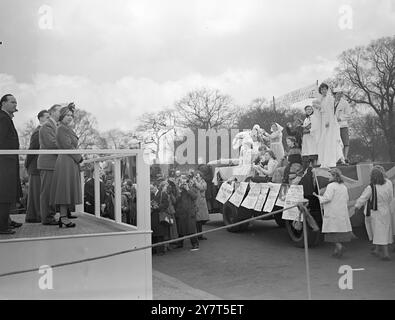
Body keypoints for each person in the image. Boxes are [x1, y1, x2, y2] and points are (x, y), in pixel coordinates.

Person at [50, 105, 83, 228]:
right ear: (62, 115)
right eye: (67, 115)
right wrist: (79, 158)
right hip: (65, 162)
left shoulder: (66, 128)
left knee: (67, 190)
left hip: (70, 161)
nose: (70, 117)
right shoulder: (61, 129)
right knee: (64, 190)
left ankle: (63, 216)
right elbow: (67, 146)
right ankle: (63, 217)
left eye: (71, 115)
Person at [355, 167, 393, 260]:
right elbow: (391, 197)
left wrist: (357, 206)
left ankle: (386, 254)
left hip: (376, 212)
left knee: (379, 232)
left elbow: (363, 198)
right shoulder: (388, 183)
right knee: (383, 230)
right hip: (386, 209)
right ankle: (376, 249)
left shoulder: (371, 187)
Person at [313, 168, 352, 258]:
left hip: (333, 211)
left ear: (335, 176)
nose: (328, 177)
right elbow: (347, 199)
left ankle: (339, 246)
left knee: (331, 231)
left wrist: (318, 196)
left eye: (330, 175)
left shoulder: (331, 186)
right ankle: (336, 250)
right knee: (338, 231)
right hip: (341, 211)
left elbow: (327, 198)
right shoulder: (343, 186)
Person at [0, 94, 23, 234]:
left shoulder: (6, 117)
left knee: (8, 192)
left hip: (8, 161)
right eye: (12, 102)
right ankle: (2, 226)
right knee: (5, 192)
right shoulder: (2, 118)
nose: (15, 104)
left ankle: (6, 220)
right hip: (4, 162)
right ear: (3, 103)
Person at [37, 104, 62, 225]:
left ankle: (50, 215)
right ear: (52, 112)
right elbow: (52, 143)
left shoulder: (56, 126)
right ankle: (47, 217)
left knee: (52, 192)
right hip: (48, 164)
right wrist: (67, 146)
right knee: (47, 192)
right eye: (59, 111)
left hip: (53, 164)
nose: (61, 113)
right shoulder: (47, 126)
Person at [24, 110, 49, 223]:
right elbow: (32, 150)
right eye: (47, 117)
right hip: (35, 167)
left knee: (36, 192)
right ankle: (35, 216)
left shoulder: (43, 131)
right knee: (36, 192)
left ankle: (33, 216)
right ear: (40, 118)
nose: (49, 119)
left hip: (38, 166)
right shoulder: (38, 131)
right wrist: (27, 165)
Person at [312, 83, 344, 167]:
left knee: (330, 138)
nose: (323, 91)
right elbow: (321, 110)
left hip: (329, 120)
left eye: (325, 89)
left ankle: (336, 157)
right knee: (324, 140)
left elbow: (330, 110)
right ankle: (325, 158)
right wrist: (318, 108)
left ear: (327, 90)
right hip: (322, 120)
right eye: (322, 89)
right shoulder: (321, 99)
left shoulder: (330, 98)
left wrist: (328, 121)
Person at [175, 175, 199, 251]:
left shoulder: (192, 188)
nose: (183, 183)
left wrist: (188, 189)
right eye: (182, 181)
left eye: (185, 181)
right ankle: (180, 243)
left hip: (190, 212)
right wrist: (179, 191)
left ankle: (195, 244)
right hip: (181, 212)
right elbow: (176, 200)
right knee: (180, 229)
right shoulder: (179, 190)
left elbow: (195, 197)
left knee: (191, 229)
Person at [334, 88, 352, 164]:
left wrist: (340, 118)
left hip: (343, 125)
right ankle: (339, 157)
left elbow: (348, 115)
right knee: (337, 143)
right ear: (334, 94)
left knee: (345, 142)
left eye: (340, 93)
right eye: (337, 93)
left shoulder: (345, 103)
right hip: (334, 126)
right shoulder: (332, 102)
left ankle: (345, 157)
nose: (339, 95)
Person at [192, 171, 210, 241]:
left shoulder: (203, 182)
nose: (196, 176)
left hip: (201, 203)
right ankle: (198, 235)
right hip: (196, 203)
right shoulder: (194, 182)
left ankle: (200, 235)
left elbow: (202, 188)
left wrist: (195, 182)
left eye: (198, 176)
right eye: (196, 176)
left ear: (201, 176)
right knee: (197, 221)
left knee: (200, 221)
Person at [301, 105, 318, 170]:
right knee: (307, 155)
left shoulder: (314, 117)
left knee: (313, 153)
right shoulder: (306, 119)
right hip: (306, 138)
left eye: (310, 109)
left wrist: (306, 129)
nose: (309, 110)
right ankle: (309, 170)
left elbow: (313, 126)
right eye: (307, 109)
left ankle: (315, 169)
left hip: (311, 137)